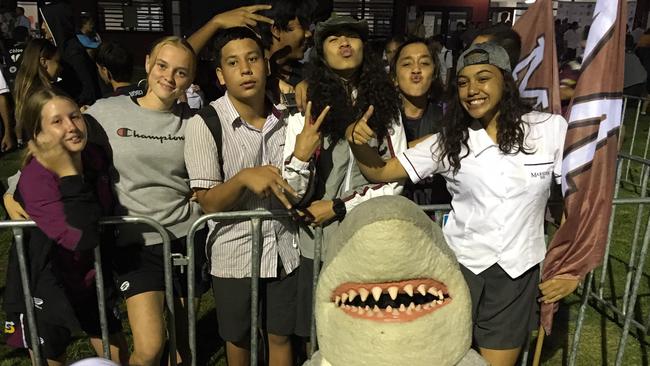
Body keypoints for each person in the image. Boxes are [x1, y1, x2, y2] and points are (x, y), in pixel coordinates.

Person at [346, 42, 575, 366]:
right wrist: (358, 145)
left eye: (483, 78)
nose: (472, 90)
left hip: (516, 274)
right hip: (458, 270)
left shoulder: (548, 129)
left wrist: (569, 266)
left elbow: (576, 199)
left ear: (505, 82)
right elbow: (380, 171)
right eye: (464, 82)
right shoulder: (449, 140)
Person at [185, 26, 315, 366]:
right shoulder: (206, 123)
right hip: (234, 254)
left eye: (253, 59)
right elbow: (208, 203)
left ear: (266, 66)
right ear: (220, 75)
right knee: (239, 338)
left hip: (286, 248)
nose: (245, 69)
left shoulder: (289, 115)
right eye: (233, 62)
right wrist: (243, 179)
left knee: (280, 334)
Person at [282, 14, 407, 345]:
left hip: (368, 236)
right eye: (333, 38)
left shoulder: (387, 105)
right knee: (318, 332)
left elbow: (395, 177)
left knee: (363, 328)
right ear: (322, 53)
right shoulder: (305, 105)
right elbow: (291, 192)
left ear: (365, 48)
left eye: (352, 36)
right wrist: (300, 157)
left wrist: (340, 206)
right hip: (317, 239)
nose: (344, 43)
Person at [83, 36, 206, 366]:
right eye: (163, 66)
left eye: (181, 72)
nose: (169, 77)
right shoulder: (106, 111)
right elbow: (57, 142)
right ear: (149, 62)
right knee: (151, 347)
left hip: (186, 238)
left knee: (183, 348)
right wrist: (15, 188)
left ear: (191, 79)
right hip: (137, 243)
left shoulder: (196, 121)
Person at [3, 87, 129, 366]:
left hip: (90, 277)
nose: (71, 127)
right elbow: (80, 236)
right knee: (52, 359)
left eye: (75, 117)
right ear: (39, 135)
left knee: (118, 354)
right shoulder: (37, 178)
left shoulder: (95, 156)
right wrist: (69, 173)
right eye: (57, 122)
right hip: (45, 283)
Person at [389, 37, 450, 205]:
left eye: (424, 63)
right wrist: (432, 143)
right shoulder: (381, 119)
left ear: (435, 73)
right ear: (394, 76)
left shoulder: (449, 117)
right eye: (407, 64)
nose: (416, 70)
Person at [40, 1, 101, 106]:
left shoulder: (74, 52)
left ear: (56, 23)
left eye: (45, 22)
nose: (42, 27)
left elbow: (88, 90)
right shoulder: (63, 47)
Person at [13, 38, 61, 146]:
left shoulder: (25, 88)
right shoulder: (43, 95)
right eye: (57, 61)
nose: (60, 68)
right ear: (43, 62)